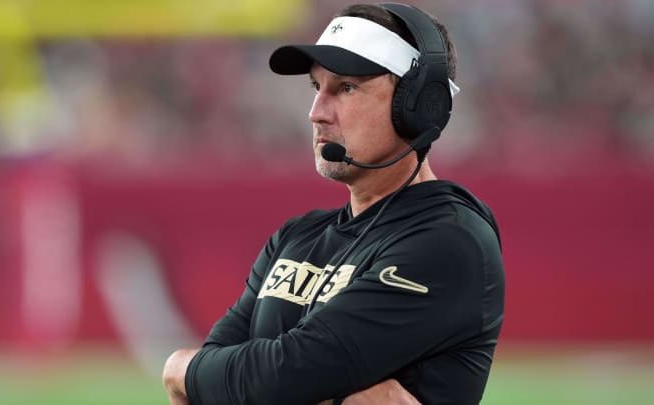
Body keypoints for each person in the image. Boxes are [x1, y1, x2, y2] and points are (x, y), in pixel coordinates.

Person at [163, 3, 505, 404]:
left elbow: (283, 375)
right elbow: (216, 390)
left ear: (418, 104)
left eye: (346, 88)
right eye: (316, 87)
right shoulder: (295, 238)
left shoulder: (449, 242)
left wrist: (183, 370)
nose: (315, 114)